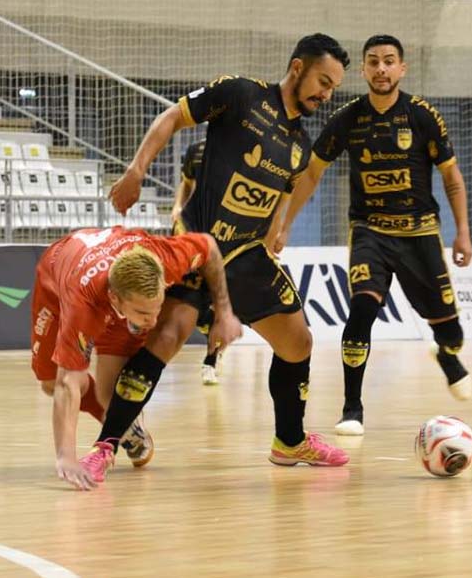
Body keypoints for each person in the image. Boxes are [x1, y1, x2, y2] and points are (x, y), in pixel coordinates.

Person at [83, 33, 353, 480]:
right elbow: (172, 117)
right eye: (322, 81)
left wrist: (276, 233)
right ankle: (105, 446)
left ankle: (289, 441)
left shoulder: (300, 144)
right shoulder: (240, 93)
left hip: (246, 253)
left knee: (298, 342)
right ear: (298, 67)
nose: (325, 95)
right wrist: (135, 171)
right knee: (168, 336)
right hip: (195, 243)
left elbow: (275, 199)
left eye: (333, 89)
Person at [273, 34, 472, 437]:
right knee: (362, 308)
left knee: (452, 333)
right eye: (373, 62)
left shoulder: (422, 116)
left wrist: (463, 233)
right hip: (370, 233)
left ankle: (447, 354)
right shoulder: (347, 118)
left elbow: (451, 177)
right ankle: (352, 407)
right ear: (363, 70)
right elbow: (311, 172)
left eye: (388, 61)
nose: (381, 69)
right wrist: (284, 223)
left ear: (402, 68)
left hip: (420, 235)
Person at [31, 225, 241, 490]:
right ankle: (119, 421)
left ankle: (121, 424)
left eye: (157, 309)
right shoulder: (82, 304)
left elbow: (209, 246)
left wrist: (224, 312)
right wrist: (66, 456)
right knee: (51, 381)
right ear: (114, 299)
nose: (152, 322)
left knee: (111, 396)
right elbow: (65, 383)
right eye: (144, 314)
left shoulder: (165, 257)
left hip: (113, 270)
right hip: (57, 275)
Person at [171, 138, 222, 385]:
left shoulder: (242, 148)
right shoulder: (196, 149)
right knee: (190, 294)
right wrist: (177, 207)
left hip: (223, 231)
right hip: (194, 228)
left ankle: (210, 361)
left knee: (215, 304)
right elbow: (186, 184)